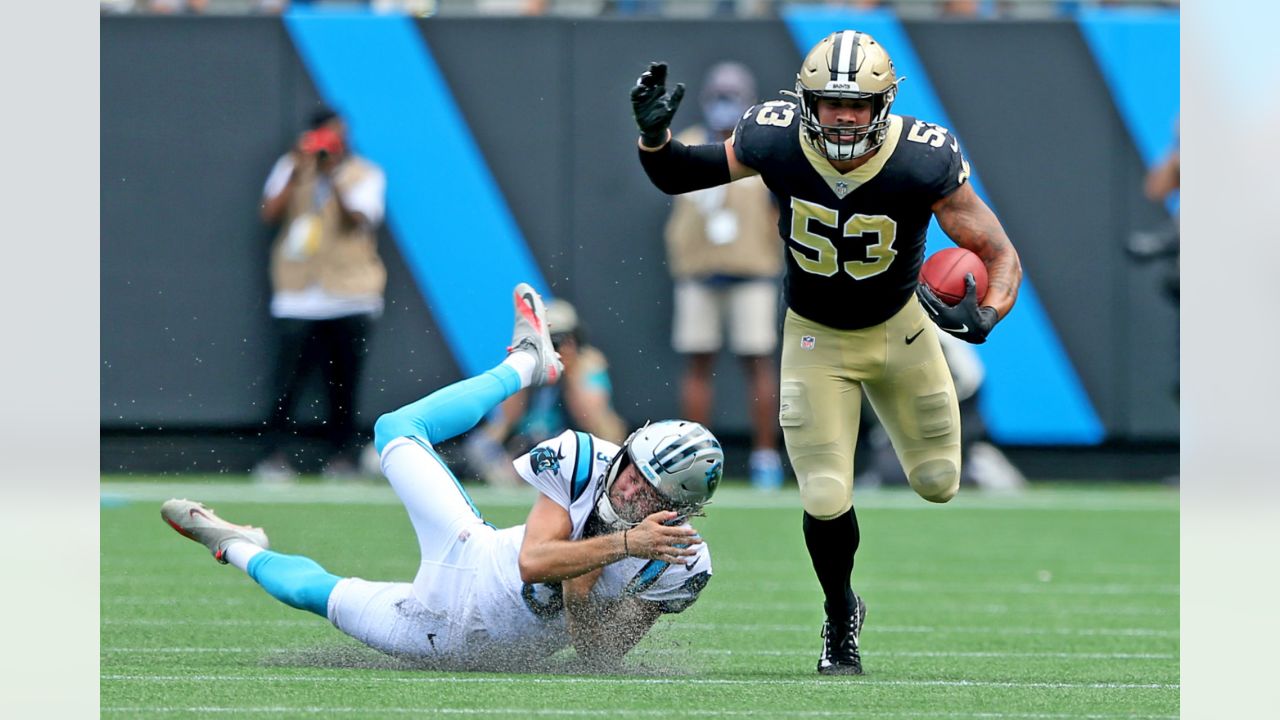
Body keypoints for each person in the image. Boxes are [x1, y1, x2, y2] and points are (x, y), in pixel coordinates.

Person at [630, 30, 1023, 675]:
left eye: (858, 105)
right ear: (806, 101)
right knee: (823, 493)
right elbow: (680, 174)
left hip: (902, 331)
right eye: (831, 104)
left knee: (938, 484)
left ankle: (852, 595)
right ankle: (841, 615)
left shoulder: (923, 159)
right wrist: (654, 138)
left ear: (884, 105)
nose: (843, 118)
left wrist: (988, 313)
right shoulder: (775, 138)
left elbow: (1000, 254)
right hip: (815, 336)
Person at [162, 284, 723, 670]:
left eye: (648, 489)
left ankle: (237, 545)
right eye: (631, 468)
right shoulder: (585, 458)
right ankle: (527, 364)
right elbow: (533, 560)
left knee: (315, 593)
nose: (627, 485)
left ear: (679, 507)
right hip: (470, 559)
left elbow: (598, 654)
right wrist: (618, 545)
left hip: (444, 641)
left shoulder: (683, 560)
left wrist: (590, 583)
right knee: (395, 429)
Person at [663, 61, 785, 491]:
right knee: (698, 361)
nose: (724, 104)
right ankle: (694, 455)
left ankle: (766, 455)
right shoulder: (690, 144)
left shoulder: (760, 147)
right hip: (698, 273)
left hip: (751, 271)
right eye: (719, 94)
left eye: (733, 95)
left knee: (758, 361)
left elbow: (777, 210)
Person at [254, 107, 388, 482]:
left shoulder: (365, 173)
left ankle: (341, 457)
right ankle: (273, 455)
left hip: (350, 293)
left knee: (343, 383)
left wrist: (333, 178)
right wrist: (300, 168)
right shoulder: (292, 166)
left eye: (338, 135)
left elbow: (359, 220)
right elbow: (269, 212)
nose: (334, 143)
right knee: (287, 381)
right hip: (298, 294)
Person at [464, 298, 628, 487]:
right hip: (527, 442)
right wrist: (523, 366)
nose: (556, 346)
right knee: (479, 446)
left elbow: (590, 418)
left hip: (572, 443)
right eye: (549, 339)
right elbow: (508, 417)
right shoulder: (529, 361)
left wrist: (571, 370)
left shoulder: (589, 364)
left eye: (562, 339)